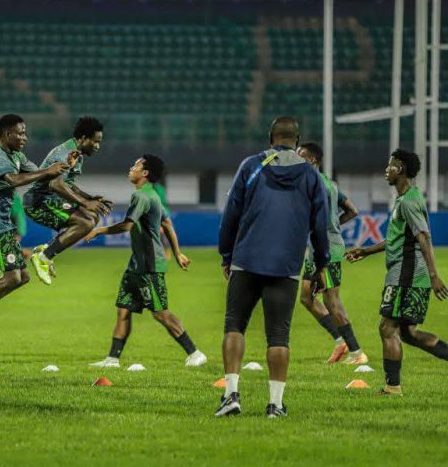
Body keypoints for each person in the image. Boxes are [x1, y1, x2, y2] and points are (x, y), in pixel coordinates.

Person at [216, 117, 329, 418]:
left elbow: (231, 213)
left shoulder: (252, 166)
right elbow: (320, 225)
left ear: (270, 137)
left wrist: (227, 254)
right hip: (287, 265)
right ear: (297, 139)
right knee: (279, 335)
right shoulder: (311, 176)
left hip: (247, 259)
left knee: (234, 325)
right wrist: (321, 265)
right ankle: (275, 404)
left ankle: (230, 396)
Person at [0, 114, 69, 342]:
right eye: (21, 133)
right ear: (7, 134)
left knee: (22, 277)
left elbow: (38, 174)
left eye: (25, 132)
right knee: (12, 278)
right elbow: (15, 180)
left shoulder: (14, 154)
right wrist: (47, 172)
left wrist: (65, 166)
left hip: (4, 225)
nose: (25, 137)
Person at [85, 155, 207, 368]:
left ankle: (195, 353)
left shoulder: (142, 197)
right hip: (136, 265)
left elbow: (125, 226)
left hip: (150, 266)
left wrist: (99, 230)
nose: (131, 168)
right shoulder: (152, 195)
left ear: (145, 173)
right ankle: (112, 359)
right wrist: (177, 253)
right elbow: (167, 223)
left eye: (135, 166)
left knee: (160, 313)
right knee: (123, 310)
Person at [345, 150, 448, 395]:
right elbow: (396, 239)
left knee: (387, 328)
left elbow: (423, 237)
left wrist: (434, 275)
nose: (386, 170)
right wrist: (366, 251)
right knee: (408, 333)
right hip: (406, 275)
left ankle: (393, 386)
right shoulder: (404, 199)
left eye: (390, 166)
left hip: (407, 276)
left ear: (400, 169)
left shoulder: (410, 201)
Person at [296, 142, 367, 364]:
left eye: (301, 158)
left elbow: (316, 220)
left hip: (325, 251)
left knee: (331, 301)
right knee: (307, 297)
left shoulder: (317, 186)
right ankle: (340, 341)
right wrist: (335, 225)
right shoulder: (329, 183)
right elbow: (352, 211)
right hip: (317, 248)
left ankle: (357, 353)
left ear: (312, 161)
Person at [25, 116, 112, 284]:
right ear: (84, 138)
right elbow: (56, 185)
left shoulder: (77, 153)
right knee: (85, 223)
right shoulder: (64, 153)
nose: (98, 146)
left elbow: (68, 184)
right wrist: (84, 203)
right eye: (95, 141)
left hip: (51, 199)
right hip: (38, 202)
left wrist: (89, 197)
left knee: (93, 217)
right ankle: (44, 257)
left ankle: (46, 250)